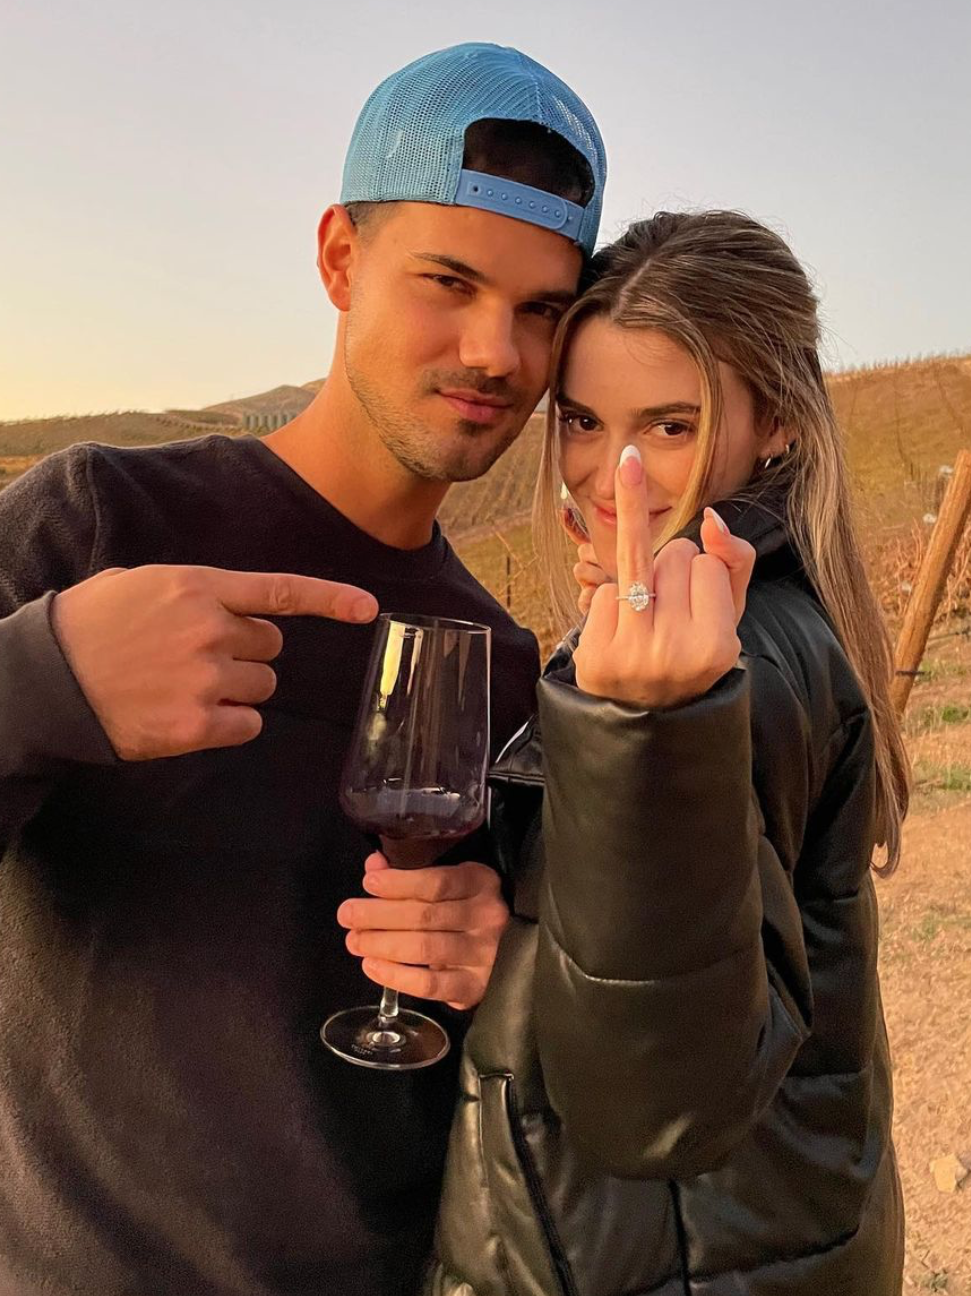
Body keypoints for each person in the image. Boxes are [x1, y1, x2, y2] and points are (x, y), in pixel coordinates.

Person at [0, 44, 605, 1296]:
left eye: (542, 311)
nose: (496, 351)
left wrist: (503, 969)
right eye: (449, 281)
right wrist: (42, 685)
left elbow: (530, 1062)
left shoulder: (500, 662)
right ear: (339, 259)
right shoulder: (100, 521)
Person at [419, 211, 909, 1295]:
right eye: (583, 421)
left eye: (671, 426)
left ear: (775, 423)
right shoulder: (752, 617)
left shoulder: (732, 658)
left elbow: (657, 1104)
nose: (613, 474)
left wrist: (644, 731)